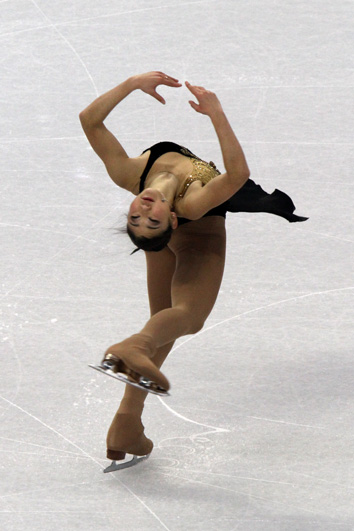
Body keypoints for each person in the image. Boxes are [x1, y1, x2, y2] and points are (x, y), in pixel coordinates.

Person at [79, 72, 307, 469]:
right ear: (171, 221)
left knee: (161, 325)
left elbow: (89, 120)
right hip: (202, 240)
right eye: (151, 220)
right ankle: (135, 349)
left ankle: (126, 423)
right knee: (189, 317)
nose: (145, 210)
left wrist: (133, 83)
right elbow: (236, 177)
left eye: (137, 217)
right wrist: (216, 113)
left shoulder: (131, 175)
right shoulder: (191, 206)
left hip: (180, 243)